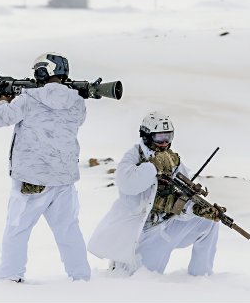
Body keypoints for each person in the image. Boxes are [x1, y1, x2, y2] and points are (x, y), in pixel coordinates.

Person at [0, 52, 91, 283]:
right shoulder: (78, 101)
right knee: (68, 229)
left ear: (42, 71)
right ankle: (80, 276)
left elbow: (1, 118)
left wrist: (3, 96)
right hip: (64, 177)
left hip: (31, 177)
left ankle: (10, 275)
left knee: (17, 228)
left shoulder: (29, 99)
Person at [87, 111, 223, 276]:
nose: (165, 142)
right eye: (159, 137)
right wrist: (154, 166)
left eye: (168, 137)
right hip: (143, 233)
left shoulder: (173, 160)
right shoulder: (133, 157)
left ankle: (201, 278)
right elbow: (129, 185)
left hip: (167, 225)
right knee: (139, 281)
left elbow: (182, 199)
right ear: (146, 136)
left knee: (208, 224)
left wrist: (197, 209)